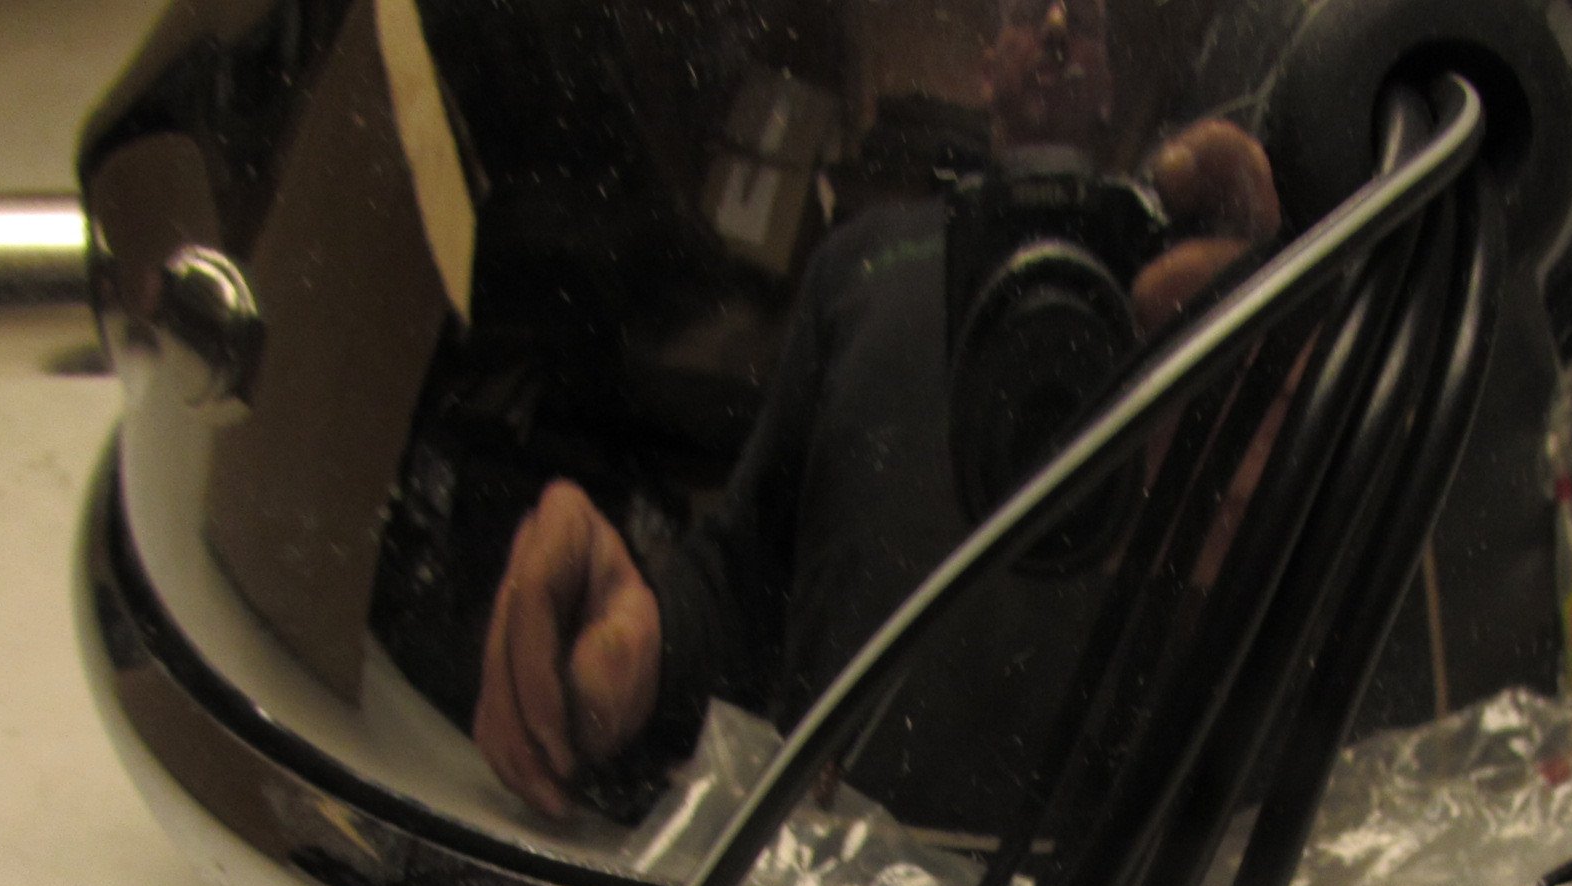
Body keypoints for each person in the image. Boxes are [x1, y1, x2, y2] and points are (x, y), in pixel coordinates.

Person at [473, 0, 1277, 835]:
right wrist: (642, 637)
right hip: (824, 883)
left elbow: (1279, 674)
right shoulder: (859, 260)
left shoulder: (1185, 292)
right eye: (1020, 11)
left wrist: (1299, 468)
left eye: (1088, 24)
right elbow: (749, 569)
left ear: (1108, 85)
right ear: (985, 72)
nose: (1055, 22)